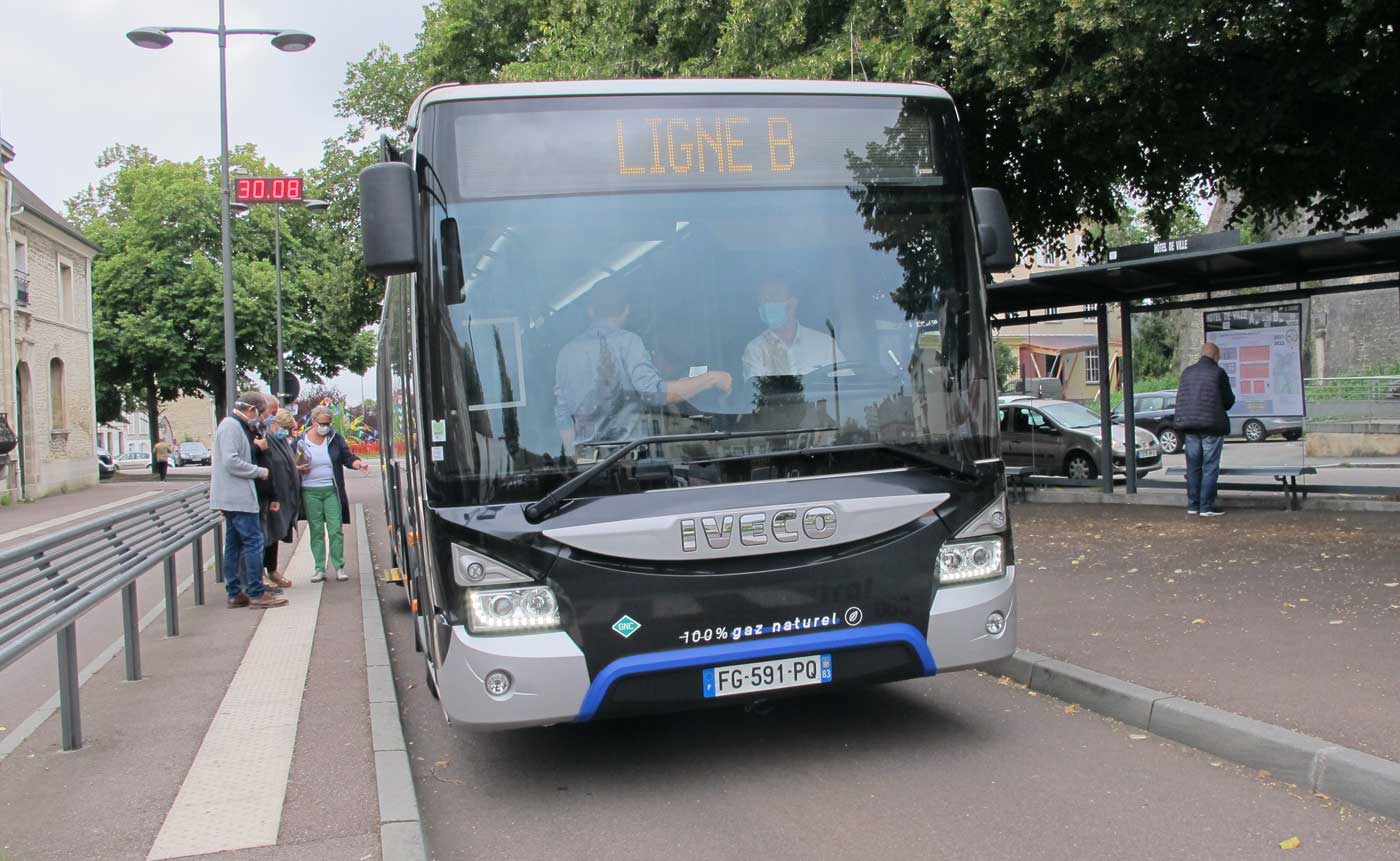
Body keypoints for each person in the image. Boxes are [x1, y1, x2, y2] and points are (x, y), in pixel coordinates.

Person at [553, 278, 731, 456]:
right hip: (625, 460)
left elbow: (563, 415)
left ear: (590, 311)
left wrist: (574, 459)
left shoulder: (565, 353)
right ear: (627, 309)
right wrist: (711, 378)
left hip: (585, 466)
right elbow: (654, 393)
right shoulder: (628, 343)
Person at [209, 392, 287, 609]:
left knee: (233, 545)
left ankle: (235, 593)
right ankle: (255, 591)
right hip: (238, 497)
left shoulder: (231, 426)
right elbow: (231, 461)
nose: (261, 418)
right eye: (260, 413)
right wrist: (259, 471)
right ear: (252, 410)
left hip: (232, 497)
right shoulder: (231, 427)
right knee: (254, 542)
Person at [296, 405, 370, 582]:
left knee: (335, 529)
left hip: (331, 490)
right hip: (310, 491)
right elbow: (291, 463)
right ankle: (319, 568)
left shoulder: (335, 438)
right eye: (322, 423)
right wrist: (298, 468)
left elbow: (347, 457)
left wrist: (358, 464)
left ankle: (339, 566)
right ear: (313, 422)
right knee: (316, 530)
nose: (325, 426)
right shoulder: (301, 440)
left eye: (328, 423)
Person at [1174, 341, 1236, 517]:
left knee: (1193, 467)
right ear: (1216, 356)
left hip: (1190, 428)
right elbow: (1228, 400)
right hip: (1211, 427)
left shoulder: (1187, 372)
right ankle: (1206, 507)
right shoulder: (1218, 373)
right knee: (1209, 466)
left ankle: (1193, 505)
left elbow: (1181, 398)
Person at [742, 280, 845, 379]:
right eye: (763, 300)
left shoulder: (824, 344)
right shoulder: (755, 350)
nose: (767, 305)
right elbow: (755, 392)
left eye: (773, 297)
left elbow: (846, 387)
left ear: (792, 303)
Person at [257, 407, 301, 592]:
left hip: (281, 495)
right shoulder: (267, 439)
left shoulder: (281, 441)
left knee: (274, 534)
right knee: (265, 533)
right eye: (285, 427)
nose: (288, 432)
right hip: (269, 495)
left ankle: (272, 570)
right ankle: (260, 574)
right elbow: (267, 466)